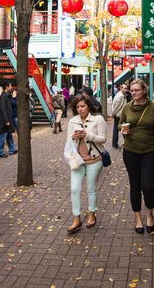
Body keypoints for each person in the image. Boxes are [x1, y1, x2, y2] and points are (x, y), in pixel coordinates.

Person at [120, 79, 154, 234]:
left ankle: (150, 214)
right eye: (131, 90)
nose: (133, 93)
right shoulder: (127, 108)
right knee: (135, 186)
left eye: (136, 90)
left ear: (144, 91)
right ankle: (138, 218)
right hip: (130, 151)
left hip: (149, 151)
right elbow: (120, 123)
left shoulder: (153, 107)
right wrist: (123, 129)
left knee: (147, 185)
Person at [66, 93, 107, 234]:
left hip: (94, 160)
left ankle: (91, 214)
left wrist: (87, 135)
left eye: (82, 106)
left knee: (91, 188)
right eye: (77, 107)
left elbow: (103, 139)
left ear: (89, 106)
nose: (80, 109)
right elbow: (68, 142)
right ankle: (76, 218)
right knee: (75, 189)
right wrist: (73, 137)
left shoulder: (98, 119)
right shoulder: (73, 121)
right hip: (78, 160)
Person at [0, 82, 17, 158]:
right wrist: (6, 121)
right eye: (10, 86)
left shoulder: (8, 96)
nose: (12, 87)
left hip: (8, 119)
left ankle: (12, 149)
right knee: (2, 135)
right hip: (4, 121)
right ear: (7, 87)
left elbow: (14, 104)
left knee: (9, 135)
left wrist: (13, 97)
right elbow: (3, 110)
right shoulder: (3, 96)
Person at [111, 84, 128, 149]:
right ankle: (127, 143)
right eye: (124, 88)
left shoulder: (120, 94)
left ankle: (114, 144)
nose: (125, 89)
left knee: (118, 129)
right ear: (121, 88)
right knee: (123, 128)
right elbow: (117, 106)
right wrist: (113, 114)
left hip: (118, 115)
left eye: (126, 88)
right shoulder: (121, 96)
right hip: (119, 115)